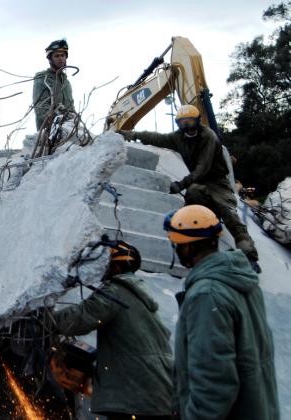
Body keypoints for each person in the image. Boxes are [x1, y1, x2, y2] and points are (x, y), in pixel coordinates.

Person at [163, 204, 279, 419]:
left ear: (188, 247)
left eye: (177, 245)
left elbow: (214, 382)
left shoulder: (206, 294)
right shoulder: (242, 280)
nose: (177, 251)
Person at [117, 104, 260, 272]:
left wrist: (181, 184)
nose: (187, 127)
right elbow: (157, 138)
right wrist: (132, 134)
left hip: (217, 182)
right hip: (198, 183)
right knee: (192, 195)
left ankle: (249, 255)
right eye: (182, 123)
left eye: (190, 122)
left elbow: (202, 168)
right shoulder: (179, 138)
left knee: (229, 212)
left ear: (198, 121)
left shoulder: (209, 137)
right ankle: (197, 235)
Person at [50, 241, 173, 420]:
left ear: (115, 266)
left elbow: (81, 317)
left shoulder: (115, 292)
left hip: (134, 395)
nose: (102, 271)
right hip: (155, 392)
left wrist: (46, 319)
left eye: (105, 266)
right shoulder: (136, 293)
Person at [32, 39, 75, 131]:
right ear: (50, 59)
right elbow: (40, 108)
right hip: (49, 135)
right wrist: (61, 118)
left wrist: (75, 120)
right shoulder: (43, 79)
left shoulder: (66, 83)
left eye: (63, 55)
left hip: (69, 132)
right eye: (57, 56)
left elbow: (71, 108)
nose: (60, 58)